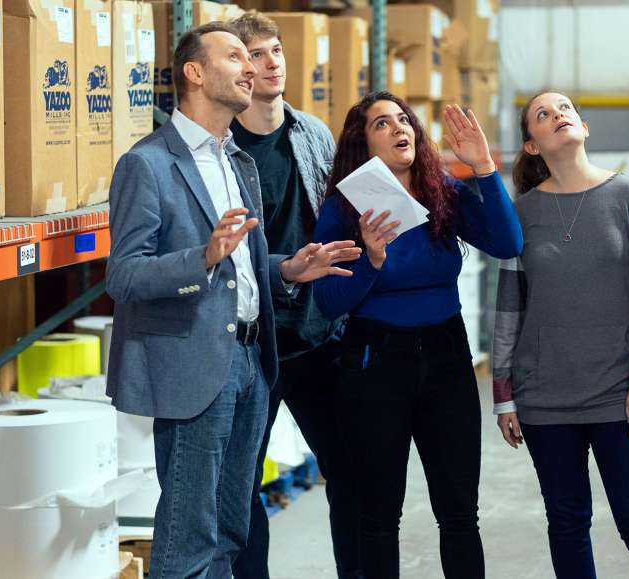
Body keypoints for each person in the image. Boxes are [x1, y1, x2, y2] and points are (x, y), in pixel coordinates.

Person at [104, 23, 360, 578]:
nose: (252, 68)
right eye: (237, 57)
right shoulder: (146, 164)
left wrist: (289, 267)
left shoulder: (235, 162)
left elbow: (239, 267)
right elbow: (123, 276)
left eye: (257, 57)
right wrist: (202, 257)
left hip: (250, 360)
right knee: (188, 535)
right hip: (197, 368)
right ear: (194, 73)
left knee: (229, 531)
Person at [313, 91, 523, 579]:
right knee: (379, 517)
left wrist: (485, 168)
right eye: (382, 124)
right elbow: (328, 304)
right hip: (375, 362)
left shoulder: (442, 192)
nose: (399, 128)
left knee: (459, 514)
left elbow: (508, 242)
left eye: (404, 120)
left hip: (447, 357)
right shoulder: (344, 213)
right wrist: (371, 260)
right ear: (362, 144)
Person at [492, 91, 629, 579]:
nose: (558, 116)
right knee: (567, 524)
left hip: (620, 396)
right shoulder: (520, 214)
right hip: (544, 400)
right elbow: (509, 304)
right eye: (543, 114)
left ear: (584, 126)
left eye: (565, 109)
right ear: (532, 146)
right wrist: (504, 395)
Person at [223, 13, 362, 579]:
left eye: (276, 50)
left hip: (316, 334)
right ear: (235, 68)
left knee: (350, 475)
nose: (271, 61)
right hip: (251, 343)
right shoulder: (220, 148)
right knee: (239, 487)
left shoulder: (313, 134)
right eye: (255, 53)